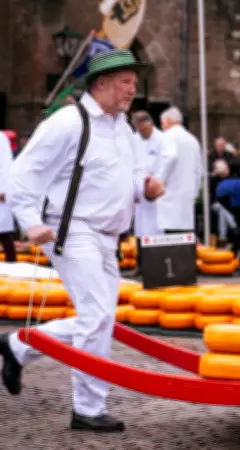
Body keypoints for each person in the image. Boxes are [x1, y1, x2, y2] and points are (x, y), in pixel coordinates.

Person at [1, 49, 164, 432]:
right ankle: (88, 408)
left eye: (134, 82)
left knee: (101, 318)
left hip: (107, 236)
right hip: (71, 229)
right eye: (126, 82)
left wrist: (145, 188)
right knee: (96, 316)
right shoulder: (68, 122)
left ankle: (19, 346)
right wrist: (30, 222)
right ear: (101, 83)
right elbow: (23, 174)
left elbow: (132, 177)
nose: (133, 89)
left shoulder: (124, 128)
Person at [157, 106, 203, 234]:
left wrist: (158, 181)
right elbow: (198, 171)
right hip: (187, 198)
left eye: (162, 122)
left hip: (168, 197)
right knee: (185, 238)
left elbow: (168, 158)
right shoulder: (193, 140)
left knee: (169, 237)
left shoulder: (167, 137)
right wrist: (194, 193)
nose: (162, 126)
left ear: (169, 120)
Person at [131, 110, 165, 238]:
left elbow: (165, 167)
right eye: (138, 130)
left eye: (144, 129)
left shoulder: (163, 140)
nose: (141, 132)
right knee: (140, 234)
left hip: (157, 196)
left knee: (158, 234)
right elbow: (131, 167)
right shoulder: (133, 140)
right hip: (139, 198)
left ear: (150, 123)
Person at [0, 131, 16, 262]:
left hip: (2, 191)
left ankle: (12, 263)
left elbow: (6, 165)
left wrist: (3, 189)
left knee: (4, 232)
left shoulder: (1, 138)